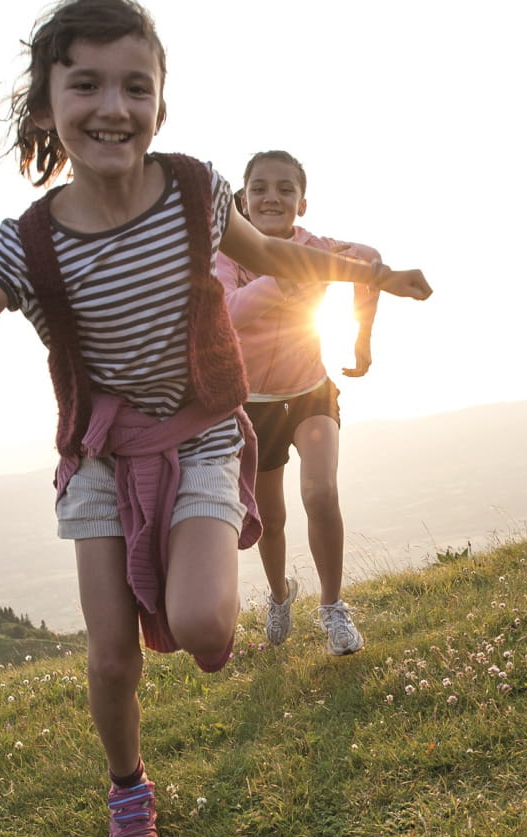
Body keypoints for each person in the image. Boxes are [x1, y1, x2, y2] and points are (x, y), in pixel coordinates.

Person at [0, 0, 431, 837]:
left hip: (198, 433)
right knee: (112, 656)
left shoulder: (195, 191)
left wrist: (367, 273)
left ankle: (203, 573)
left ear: (160, 105)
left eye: (136, 85)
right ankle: (128, 787)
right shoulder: (26, 246)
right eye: (85, 84)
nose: (113, 105)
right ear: (47, 107)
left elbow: (277, 256)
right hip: (100, 455)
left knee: (207, 634)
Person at [217, 150, 418, 656]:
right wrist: (283, 277)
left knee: (320, 494)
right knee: (271, 518)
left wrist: (362, 340)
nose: (272, 197)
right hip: (252, 403)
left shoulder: (317, 247)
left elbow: (367, 260)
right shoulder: (225, 253)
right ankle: (281, 597)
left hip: (310, 391)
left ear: (301, 203)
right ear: (243, 197)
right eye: (260, 187)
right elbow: (227, 315)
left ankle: (332, 608)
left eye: (286, 189)